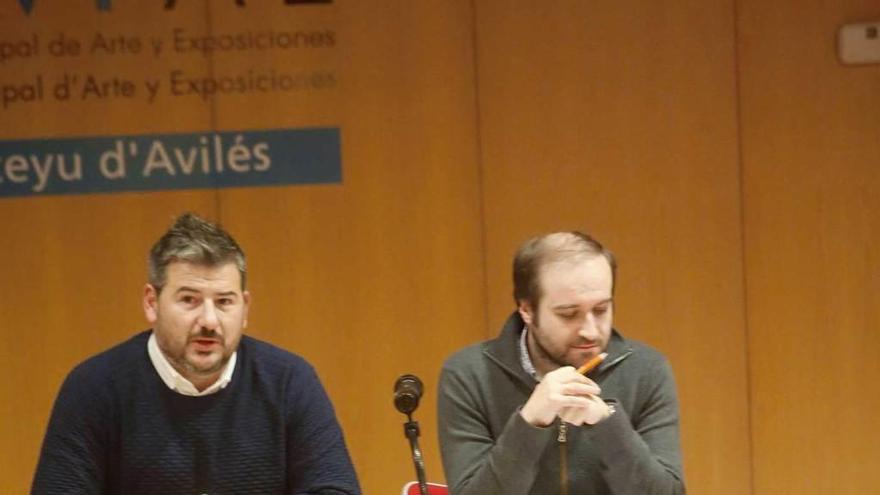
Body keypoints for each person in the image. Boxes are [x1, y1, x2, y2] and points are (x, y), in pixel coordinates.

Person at [31, 213, 361, 495]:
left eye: (224, 302)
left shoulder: (289, 381)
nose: (208, 321)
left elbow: (334, 488)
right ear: (151, 302)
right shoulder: (94, 388)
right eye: (189, 300)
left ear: (244, 308)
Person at [437, 232, 685, 494]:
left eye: (601, 310)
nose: (590, 331)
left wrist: (608, 425)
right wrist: (529, 422)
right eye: (569, 314)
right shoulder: (468, 375)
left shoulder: (646, 371)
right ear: (527, 310)